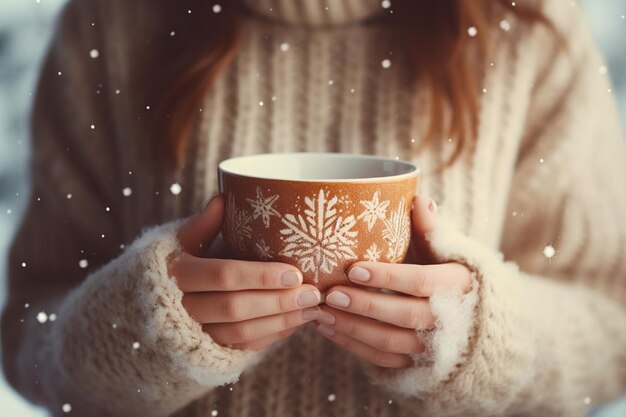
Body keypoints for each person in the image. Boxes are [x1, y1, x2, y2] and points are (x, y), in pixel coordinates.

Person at [2, 0, 625, 416]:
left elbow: (614, 327)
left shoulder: (521, 24)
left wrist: (483, 339)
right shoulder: (113, 20)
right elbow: (28, 334)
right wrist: (139, 330)